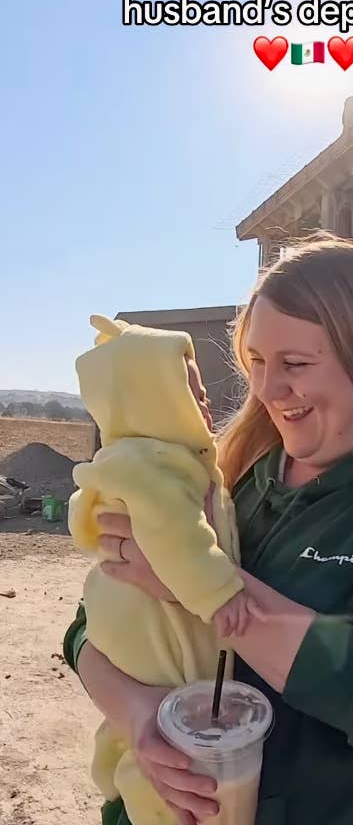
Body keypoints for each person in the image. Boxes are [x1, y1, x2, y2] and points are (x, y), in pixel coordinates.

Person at [64, 235, 353, 825]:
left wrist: (205, 587)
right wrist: (142, 717)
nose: (266, 389)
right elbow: (88, 629)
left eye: (296, 364)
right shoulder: (230, 473)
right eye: (257, 362)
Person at [69, 314, 252, 825]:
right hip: (148, 629)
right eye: (189, 391)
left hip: (147, 633)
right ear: (154, 402)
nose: (205, 400)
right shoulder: (152, 466)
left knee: (152, 731)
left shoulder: (169, 463)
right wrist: (223, 594)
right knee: (167, 751)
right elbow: (176, 541)